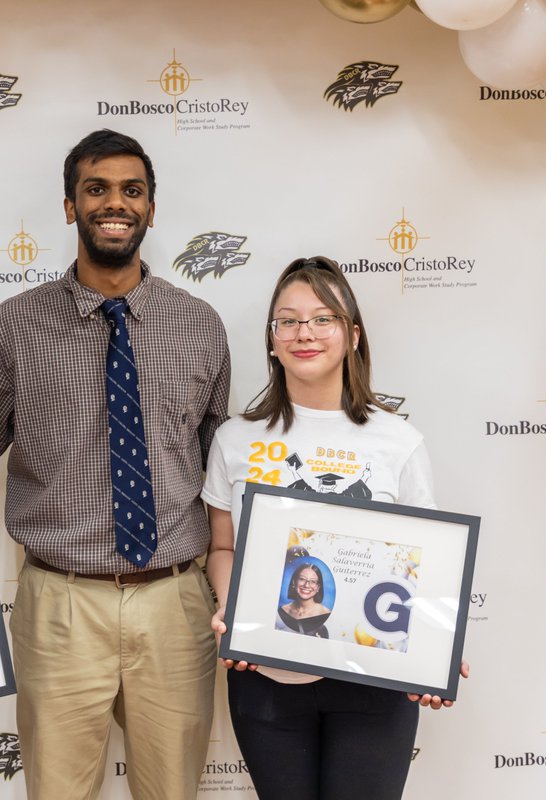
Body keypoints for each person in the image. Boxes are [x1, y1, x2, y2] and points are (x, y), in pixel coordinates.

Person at [0, 129, 231, 800]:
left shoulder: (199, 325)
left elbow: (218, 464)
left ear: (151, 207)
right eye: (97, 188)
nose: (116, 203)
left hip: (175, 599)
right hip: (59, 603)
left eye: (132, 190)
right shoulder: (14, 326)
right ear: (69, 206)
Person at [203, 256, 468, 800]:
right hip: (267, 679)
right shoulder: (234, 439)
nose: (305, 333)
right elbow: (222, 545)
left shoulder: (398, 441)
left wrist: (436, 646)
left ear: (352, 334)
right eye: (288, 320)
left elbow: (425, 563)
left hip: (374, 684)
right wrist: (235, 612)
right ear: (272, 339)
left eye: (323, 318)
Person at [276, 562, 331, 637]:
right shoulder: (281, 611)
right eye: (302, 579)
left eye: (313, 582)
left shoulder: (325, 614)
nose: (306, 585)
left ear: (318, 587)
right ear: (294, 582)